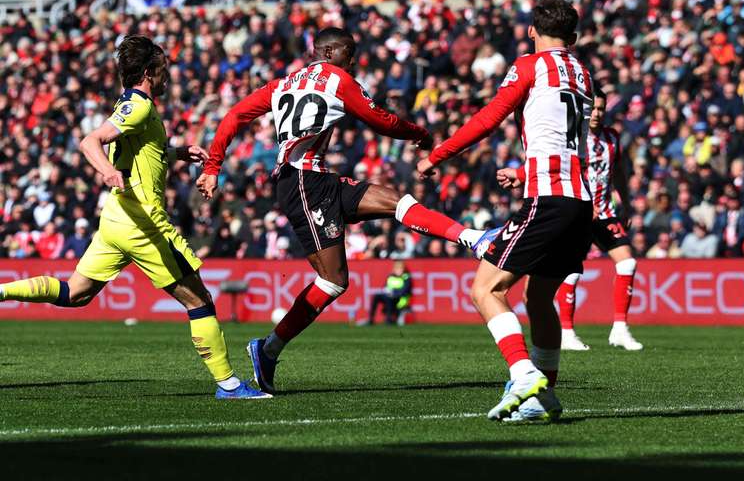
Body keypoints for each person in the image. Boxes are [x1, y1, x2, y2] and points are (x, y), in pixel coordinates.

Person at [197, 27, 488, 394]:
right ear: (329, 52)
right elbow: (380, 120)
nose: (352, 64)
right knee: (333, 280)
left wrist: (213, 167)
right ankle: (267, 349)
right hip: (303, 182)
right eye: (348, 56)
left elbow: (234, 116)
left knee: (397, 201)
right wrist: (420, 134)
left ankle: (474, 238)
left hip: (316, 180)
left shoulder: (282, 84)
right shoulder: (337, 79)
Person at [0, 35, 268, 400]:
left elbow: (141, 151)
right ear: (148, 73)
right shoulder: (138, 106)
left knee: (75, 293)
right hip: (143, 223)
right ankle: (230, 385)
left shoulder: (130, 104)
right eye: (163, 70)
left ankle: (2, 291)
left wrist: (177, 152)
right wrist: (107, 172)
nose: (167, 76)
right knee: (199, 300)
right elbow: (90, 142)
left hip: (115, 218)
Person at [417, 0, 593, 422]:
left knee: (486, 290)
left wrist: (436, 155)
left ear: (531, 31)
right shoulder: (582, 74)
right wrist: (523, 169)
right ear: (572, 37)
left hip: (548, 197)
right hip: (579, 200)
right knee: (539, 298)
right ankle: (543, 399)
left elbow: (488, 119)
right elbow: (567, 141)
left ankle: (524, 375)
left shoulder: (530, 66)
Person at [497, 87, 642, 352]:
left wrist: (627, 205)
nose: (596, 113)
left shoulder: (612, 138)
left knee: (627, 262)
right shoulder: (574, 137)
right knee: (570, 271)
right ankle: (566, 332)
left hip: (604, 212)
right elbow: (555, 165)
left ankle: (620, 329)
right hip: (578, 210)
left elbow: (619, 171)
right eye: (593, 108)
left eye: (601, 109)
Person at [363, 260, 412, 325]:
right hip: (389, 296)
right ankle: (370, 319)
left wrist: (393, 293)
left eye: (400, 268)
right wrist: (386, 291)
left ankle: (388, 319)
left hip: (400, 299)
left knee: (389, 298)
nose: (399, 270)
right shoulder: (391, 276)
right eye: (397, 268)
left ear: (403, 269)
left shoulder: (406, 277)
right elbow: (385, 287)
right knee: (376, 296)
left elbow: (405, 290)